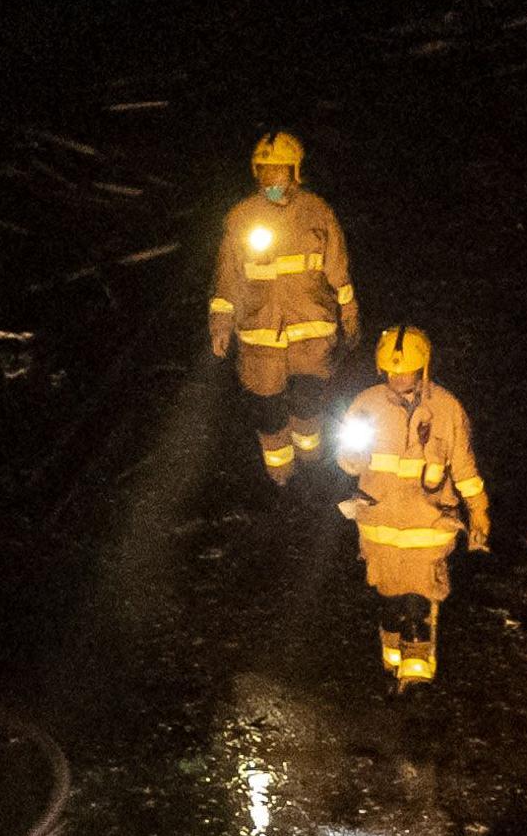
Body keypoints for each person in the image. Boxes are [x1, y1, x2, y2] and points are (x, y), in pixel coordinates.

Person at [331, 327, 489, 690]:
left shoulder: (446, 409)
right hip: (381, 525)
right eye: (390, 371)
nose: (397, 378)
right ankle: (392, 661)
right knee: (390, 600)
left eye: (405, 370)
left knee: (418, 599)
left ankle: (417, 675)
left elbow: (464, 467)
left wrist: (478, 510)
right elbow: (347, 459)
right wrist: (351, 455)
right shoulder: (366, 405)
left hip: (428, 523)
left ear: (424, 368)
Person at [209, 131, 358, 487]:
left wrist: (349, 313)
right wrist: (220, 323)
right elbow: (228, 277)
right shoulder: (242, 217)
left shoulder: (316, 212)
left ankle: (312, 466)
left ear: (294, 172)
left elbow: (338, 267)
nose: (271, 178)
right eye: (264, 170)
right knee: (268, 411)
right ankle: (280, 480)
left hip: (312, 331)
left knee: (308, 406)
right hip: (260, 335)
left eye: (278, 170)